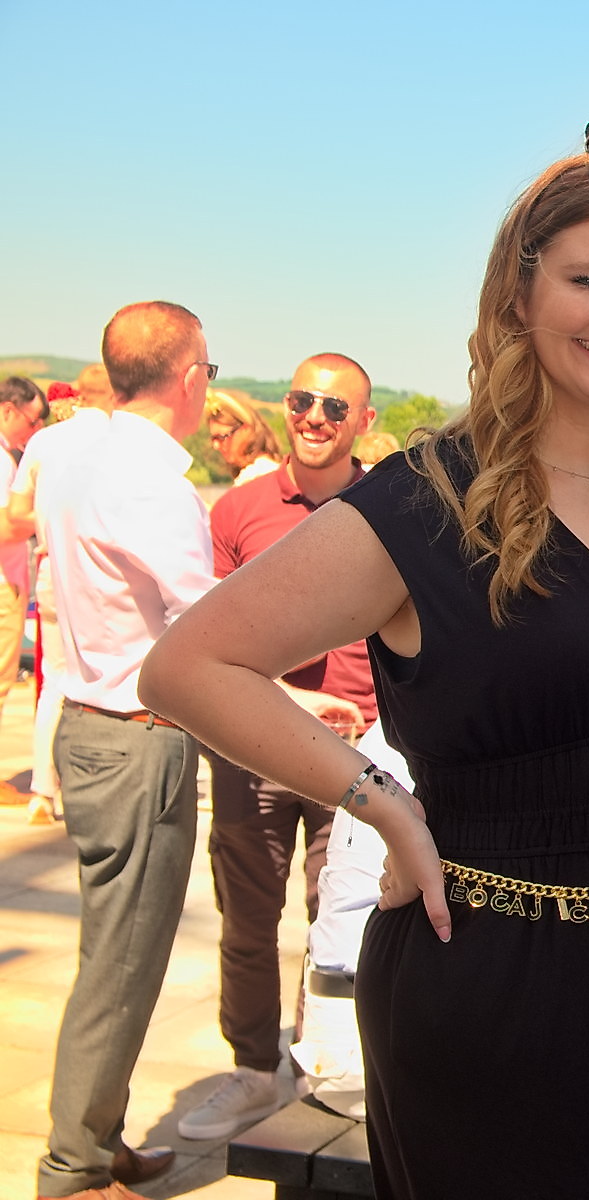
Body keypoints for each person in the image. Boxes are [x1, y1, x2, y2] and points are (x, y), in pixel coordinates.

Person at [139, 110, 589, 1197]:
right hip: (499, 994)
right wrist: (376, 799)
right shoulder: (427, 504)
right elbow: (189, 666)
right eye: (588, 282)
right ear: (520, 296)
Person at [33, 302, 217, 1199]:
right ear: (188, 379)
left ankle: (96, 1136)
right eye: (209, 371)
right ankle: (73, 1170)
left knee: (115, 953)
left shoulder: (75, 453)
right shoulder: (153, 482)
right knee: (122, 963)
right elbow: (207, 617)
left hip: (88, 723)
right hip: (138, 737)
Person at [175, 353, 380, 1142]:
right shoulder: (241, 509)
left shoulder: (392, 506)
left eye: (335, 408)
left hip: (358, 753)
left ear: (363, 421)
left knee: (344, 919)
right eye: (302, 401)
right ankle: (256, 1069)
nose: (315, 419)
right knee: (248, 918)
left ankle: (320, 1063)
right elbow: (206, 635)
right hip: (255, 745)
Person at [9, 366, 114, 827]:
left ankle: (41, 791)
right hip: (103, 568)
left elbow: (15, 511)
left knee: (54, 679)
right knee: (106, 675)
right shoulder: (117, 439)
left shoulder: (44, 440)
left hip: (52, 565)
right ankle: (95, 784)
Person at [0, 378, 48, 771]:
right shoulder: (1, 459)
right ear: (8, 410)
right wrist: (54, 515)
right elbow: (6, 525)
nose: (34, 431)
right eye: (32, 421)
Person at [205, 390, 284, 484]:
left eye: (222, 437)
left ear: (246, 430)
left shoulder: (259, 475)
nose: (216, 445)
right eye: (214, 438)